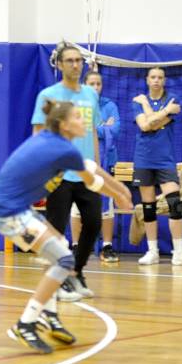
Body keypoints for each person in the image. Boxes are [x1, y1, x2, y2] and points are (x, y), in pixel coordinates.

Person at [0, 99, 132, 353]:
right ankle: (26, 323)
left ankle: (50, 315)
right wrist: (120, 195)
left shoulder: (56, 142)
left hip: (16, 209)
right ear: (63, 125)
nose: (83, 120)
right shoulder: (61, 149)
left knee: (61, 248)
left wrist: (120, 190)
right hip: (8, 213)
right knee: (65, 260)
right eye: (77, 116)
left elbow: (90, 167)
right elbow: (91, 180)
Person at [31, 42, 103, 301]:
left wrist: (97, 167)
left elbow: (92, 132)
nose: (75, 64)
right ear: (60, 65)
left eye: (78, 60)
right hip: (58, 174)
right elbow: (38, 134)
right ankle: (57, 282)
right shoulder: (48, 95)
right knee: (57, 231)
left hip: (85, 172)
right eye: (70, 60)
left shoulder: (90, 95)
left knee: (93, 223)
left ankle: (76, 272)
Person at [131, 66, 182, 266]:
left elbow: (150, 124)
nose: (156, 80)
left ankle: (179, 253)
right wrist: (161, 113)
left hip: (165, 160)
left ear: (164, 80)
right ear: (147, 80)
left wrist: (153, 114)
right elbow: (145, 126)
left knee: (175, 204)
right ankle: (152, 251)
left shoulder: (173, 100)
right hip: (144, 158)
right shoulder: (138, 101)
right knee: (148, 207)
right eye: (153, 77)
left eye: (160, 77)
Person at [70, 69, 122, 262]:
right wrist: (103, 127)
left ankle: (107, 246)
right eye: (91, 83)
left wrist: (96, 128)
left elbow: (115, 130)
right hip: (80, 160)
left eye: (98, 84)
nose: (95, 87)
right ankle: (76, 246)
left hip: (106, 161)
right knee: (77, 205)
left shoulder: (109, 105)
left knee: (106, 204)